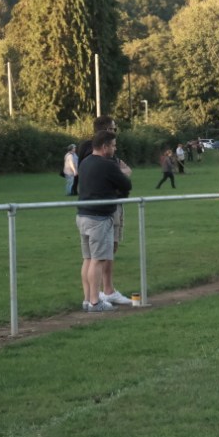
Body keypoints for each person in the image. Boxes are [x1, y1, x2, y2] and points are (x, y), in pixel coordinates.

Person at [75, 116, 133, 307]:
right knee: (98, 260)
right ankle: (95, 301)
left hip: (83, 214)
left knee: (88, 259)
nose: (115, 149)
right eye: (113, 145)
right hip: (99, 217)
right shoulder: (107, 164)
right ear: (105, 146)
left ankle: (87, 300)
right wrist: (121, 175)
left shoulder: (85, 163)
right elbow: (126, 184)